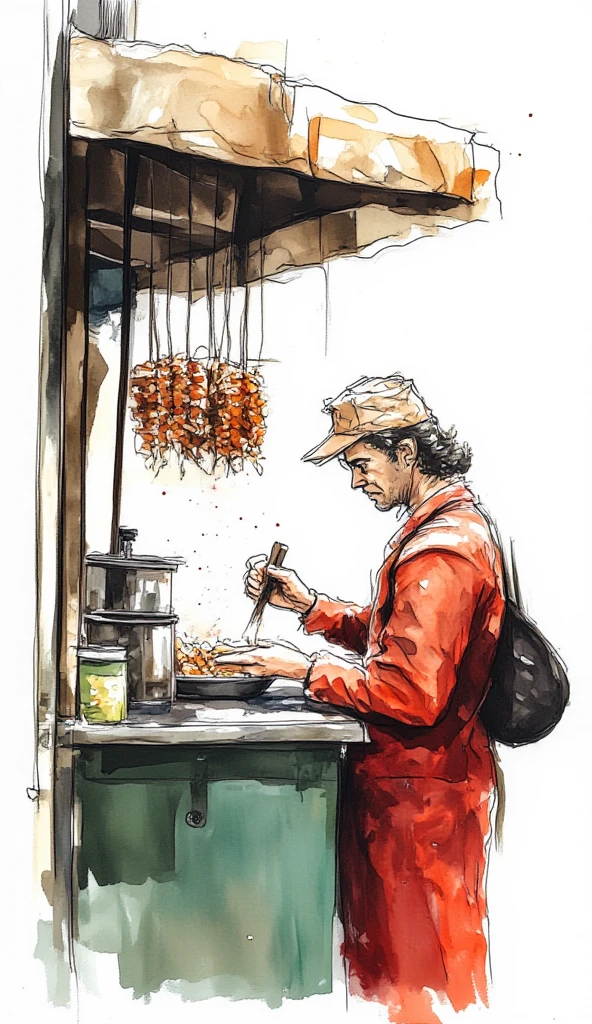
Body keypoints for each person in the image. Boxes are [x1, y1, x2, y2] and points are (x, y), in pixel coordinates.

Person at [217, 374, 505, 1024]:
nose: (355, 480)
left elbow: (411, 690)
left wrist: (301, 670)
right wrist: (310, 607)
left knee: (417, 990)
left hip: (419, 810)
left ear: (407, 452)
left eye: (360, 462)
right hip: (408, 799)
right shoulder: (440, 531)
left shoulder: (442, 553)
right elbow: (397, 638)